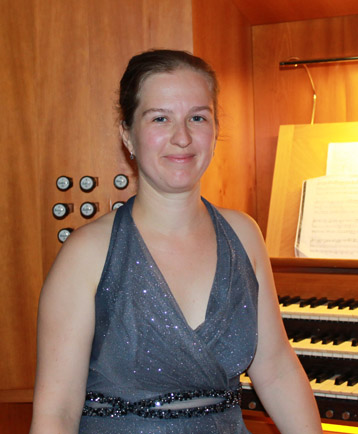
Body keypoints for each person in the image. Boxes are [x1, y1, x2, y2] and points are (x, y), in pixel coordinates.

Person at [30, 49, 323, 434]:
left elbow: (276, 369)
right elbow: (57, 411)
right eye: (160, 118)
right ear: (128, 135)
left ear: (215, 131)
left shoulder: (244, 235)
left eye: (197, 118)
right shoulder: (86, 253)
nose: (182, 137)